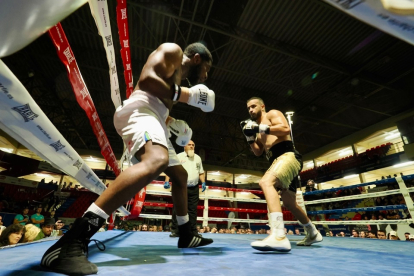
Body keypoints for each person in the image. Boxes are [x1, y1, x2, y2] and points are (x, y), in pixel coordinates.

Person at [41, 42, 215, 275]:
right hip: (140, 112)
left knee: (180, 175)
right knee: (156, 160)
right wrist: (189, 96)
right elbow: (147, 81)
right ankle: (70, 242)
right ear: (196, 58)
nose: (205, 76)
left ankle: (186, 234)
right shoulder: (173, 50)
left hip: (155, 117)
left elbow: (161, 98)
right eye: (206, 69)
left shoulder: (177, 78)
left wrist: (171, 122)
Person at [241, 97, 322, 252]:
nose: (250, 110)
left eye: (253, 106)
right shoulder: (258, 131)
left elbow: (285, 129)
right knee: (289, 203)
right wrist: (250, 138)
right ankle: (313, 233)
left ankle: (278, 236)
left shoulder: (272, 114)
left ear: (262, 106)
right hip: (276, 160)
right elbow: (258, 152)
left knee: (266, 182)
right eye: (248, 108)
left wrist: (260, 129)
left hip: (288, 155)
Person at [166, 140, 206, 237]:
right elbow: (171, 168)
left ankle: (193, 231)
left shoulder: (198, 158)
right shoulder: (178, 156)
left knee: (192, 210)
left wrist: (203, 182)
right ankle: (176, 231)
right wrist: (167, 180)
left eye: (193, 145)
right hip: (180, 187)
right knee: (178, 208)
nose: (191, 146)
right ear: (184, 146)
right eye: (189, 145)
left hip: (194, 188)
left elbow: (201, 172)